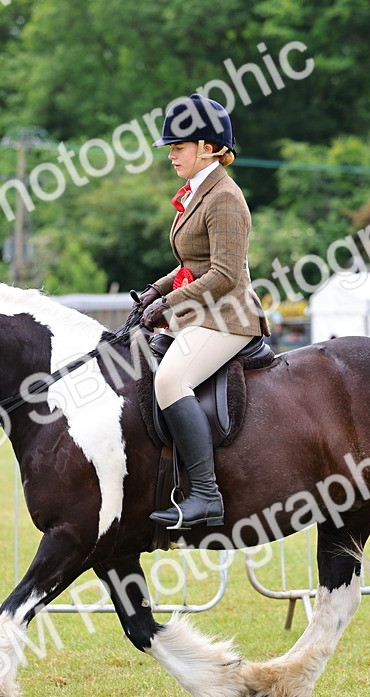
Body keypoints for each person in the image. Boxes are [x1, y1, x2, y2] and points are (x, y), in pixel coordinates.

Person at [136, 93, 269, 529]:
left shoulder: (224, 198)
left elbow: (225, 275)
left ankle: (206, 496)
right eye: (171, 147)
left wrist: (167, 303)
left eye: (179, 145)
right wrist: (154, 290)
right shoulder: (199, 193)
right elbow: (191, 264)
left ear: (208, 148)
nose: (171, 154)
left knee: (171, 380)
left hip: (228, 317)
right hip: (202, 314)